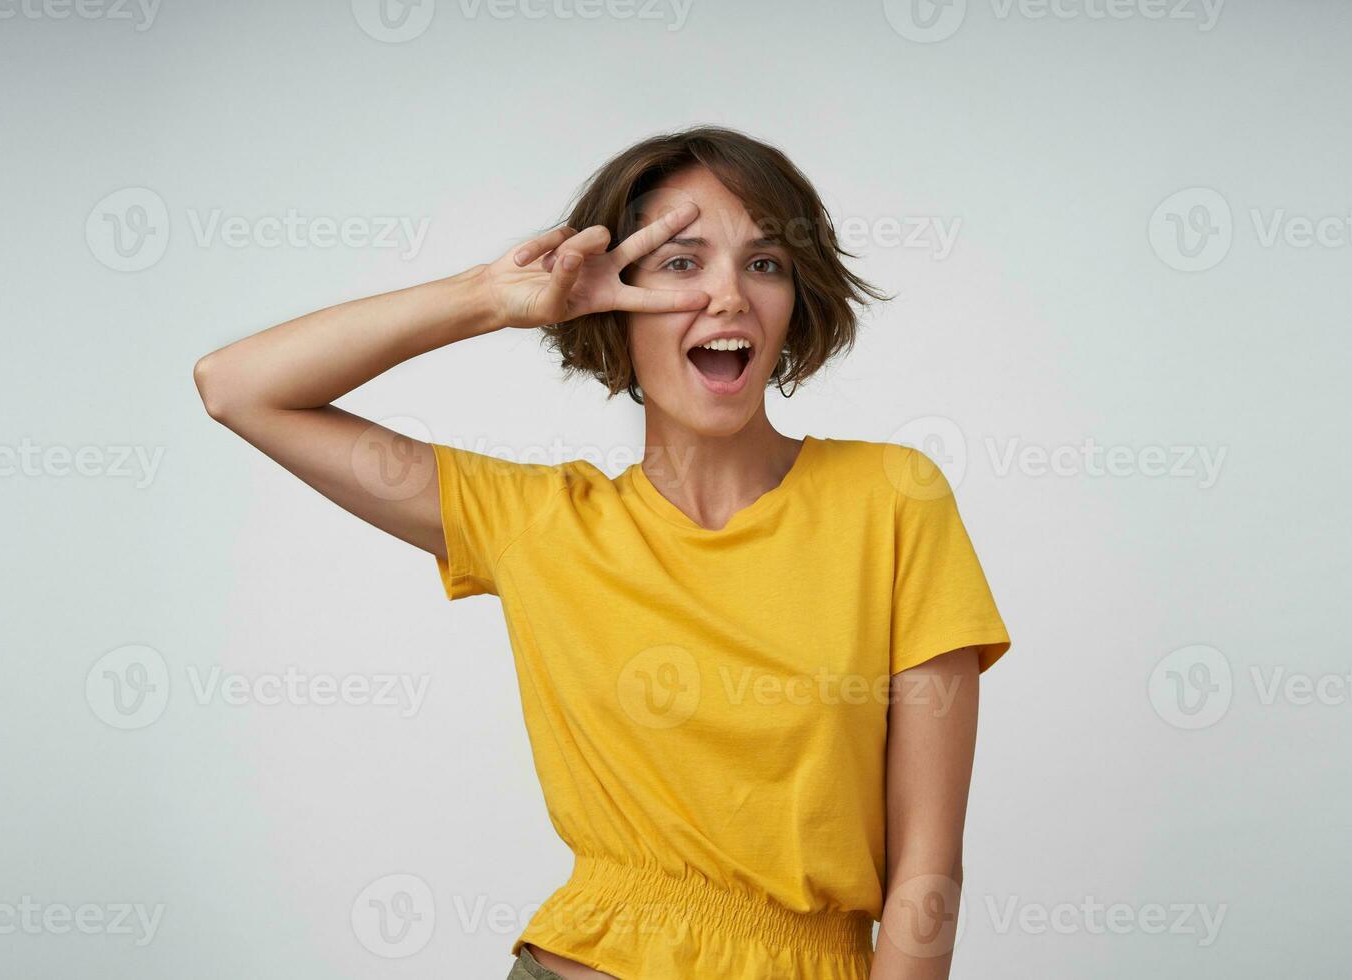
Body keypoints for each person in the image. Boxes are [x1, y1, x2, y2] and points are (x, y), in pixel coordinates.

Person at [194, 125, 1012, 980]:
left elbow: (929, 866)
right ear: (612, 301)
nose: (728, 296)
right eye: (683, 263)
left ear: (796, 299)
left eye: (764, 263)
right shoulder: (539, 521)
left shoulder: (891, 499)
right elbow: (238, 387)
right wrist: (489, 296)